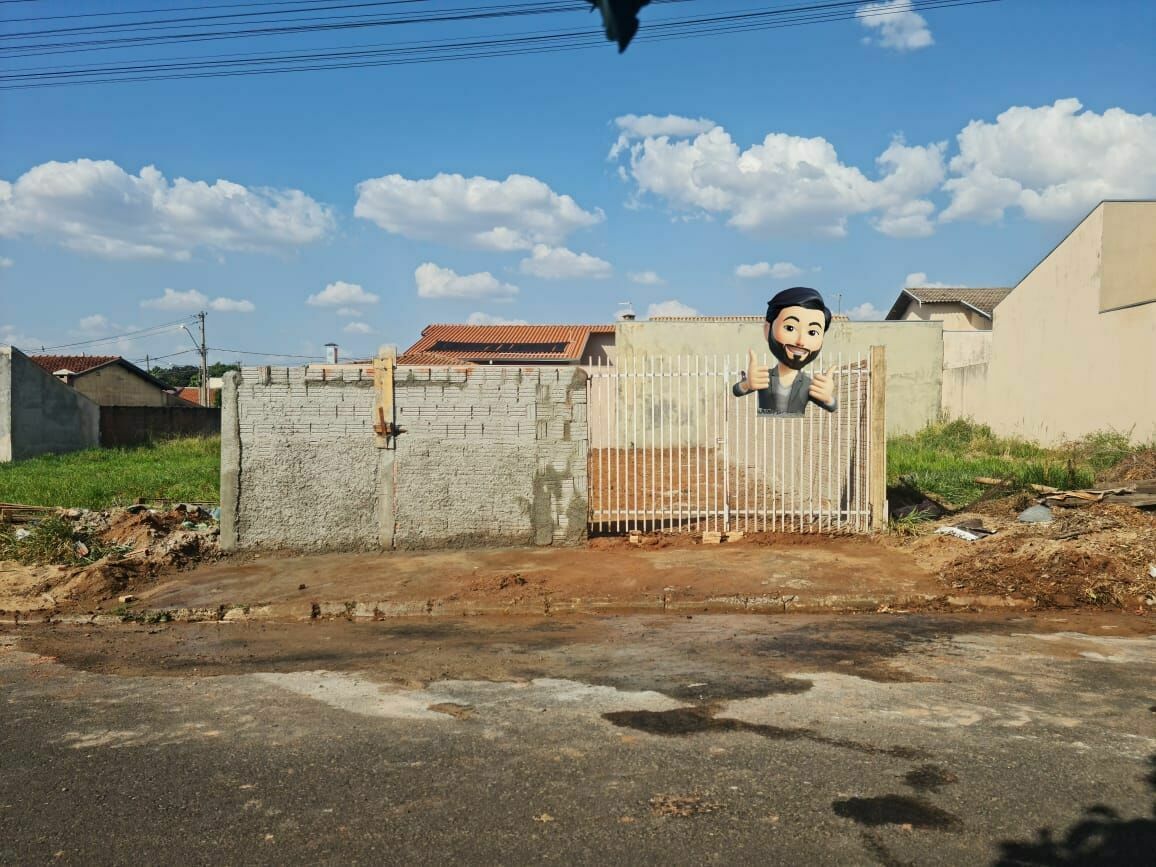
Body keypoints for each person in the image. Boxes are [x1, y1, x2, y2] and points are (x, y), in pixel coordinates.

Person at [733, 286, 837, 415]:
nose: (800, 341)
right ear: (767, 330)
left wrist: (828, 398)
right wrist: (746, 385)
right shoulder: (764, 378)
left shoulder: (807, 384)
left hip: (794, 431)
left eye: (812, 332)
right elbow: (737, 390)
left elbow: (831, 406)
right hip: (767, 430)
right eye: (790, 328)